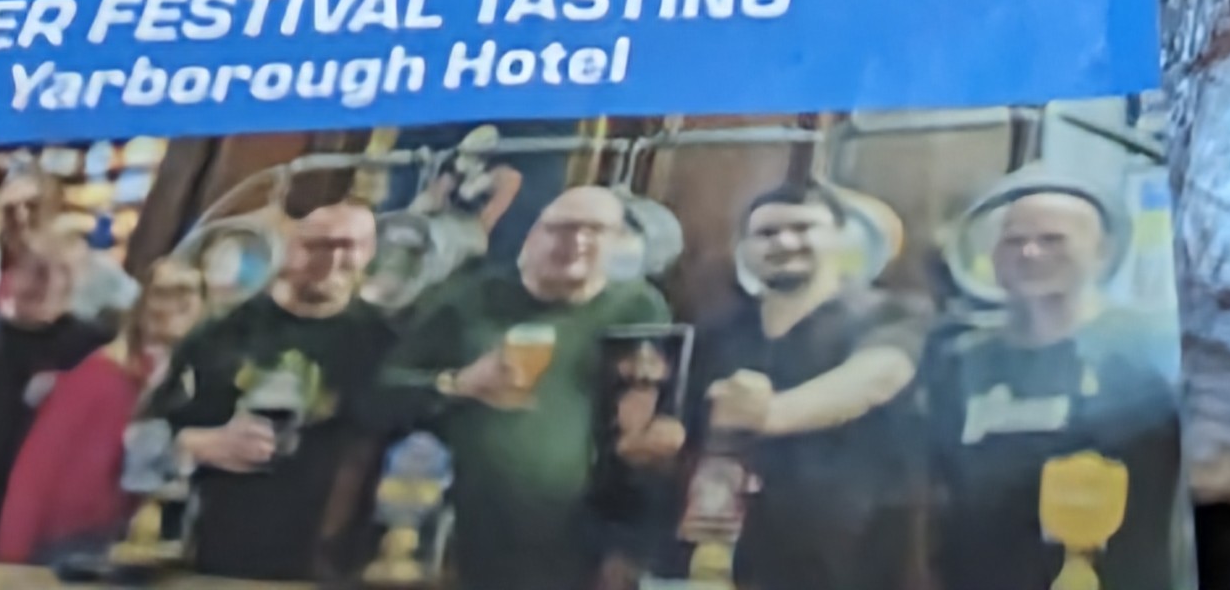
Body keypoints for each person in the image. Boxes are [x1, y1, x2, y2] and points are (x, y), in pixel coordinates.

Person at [375, 180, 674, 590]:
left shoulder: (640, 308)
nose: (576, 242)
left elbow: (651, 429)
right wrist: (458, 383)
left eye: (595, 230)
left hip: (582, 541)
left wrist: (629, 546)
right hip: (464, 537)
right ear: (533, 235)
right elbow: (380, 395)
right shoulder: (470, 299)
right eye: (561, 227)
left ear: (618, 244)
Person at [922, 184, 1182, 590]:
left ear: (1102, 251)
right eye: (1014, 241)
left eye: (1052, 239)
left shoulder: (1152, 350)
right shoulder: (958, 362)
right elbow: (930, 491)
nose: (1030, 252)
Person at [680, 184, 921, 590]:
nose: (785, 242)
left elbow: (880, 375)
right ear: (745, 250)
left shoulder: (890, 314)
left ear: (841, 238)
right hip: (730, 562)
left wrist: (771, 413)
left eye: (803, 228)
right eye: (767, 233)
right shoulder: (719, 334)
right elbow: (686, 436)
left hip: (849, 562)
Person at [160, 199, 387, 580]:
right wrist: (195, 443)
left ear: (370, 254)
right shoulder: (225, 332)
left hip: (325, 560)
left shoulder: (382, 343)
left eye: (347, 247)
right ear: (291, 246)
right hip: (215, 547)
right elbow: (146, 431)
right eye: (318, 245)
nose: (331, 261)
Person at [0, 253, 202, 564]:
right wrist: (11, 558)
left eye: (185, 297)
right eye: (163, 295)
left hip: (124, 542)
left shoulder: (179, 381)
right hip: (65, 544)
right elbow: (37, 469)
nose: (172, 307)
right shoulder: (101, 374)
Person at [0, 235, 111, 529]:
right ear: (12, 274)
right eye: (36, 270)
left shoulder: (94, 345)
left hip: (53, 513)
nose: (47, 284)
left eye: (61, 272)